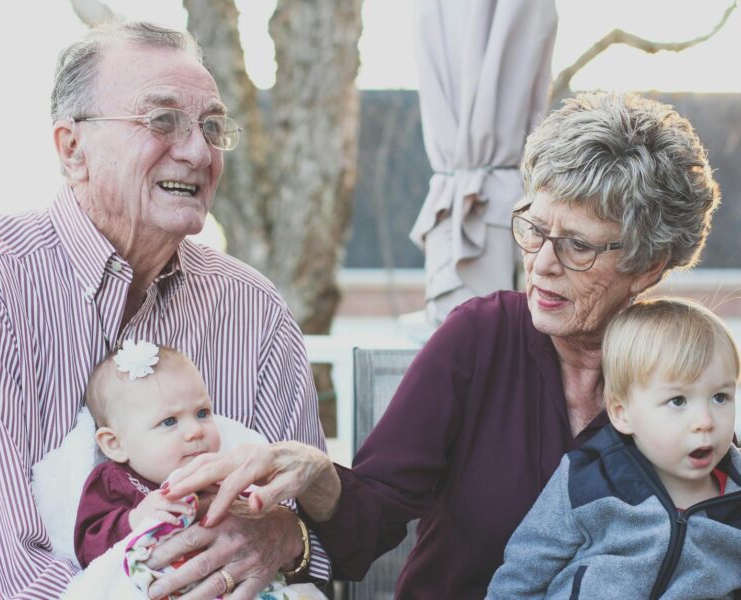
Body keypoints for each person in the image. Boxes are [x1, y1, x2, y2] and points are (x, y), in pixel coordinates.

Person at [160, 92, 723, 598]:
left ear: (647, 267)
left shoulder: (690, 374)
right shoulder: (480, 339)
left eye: (578, 246)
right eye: (533, 228)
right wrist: (319, 473)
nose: (542, 265)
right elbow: (368, 525)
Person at [0, 21, 329, 598]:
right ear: (74, 149)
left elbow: (318, 537)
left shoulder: (253, 307)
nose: (199, 151)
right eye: (161, 120)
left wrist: (286, 535)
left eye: (212, 127)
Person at [486, 298, 741, 599]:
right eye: (678, 401)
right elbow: (525, 570)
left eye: (720, 397)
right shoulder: (588, 479)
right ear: (622, 413)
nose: (705, 421)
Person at [71, 340, 325, 599]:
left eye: (203, 412)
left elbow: (259, 536)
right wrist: (136, 518)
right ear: (116, 444)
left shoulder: (224, 473)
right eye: (169, 421)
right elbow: (87, 548)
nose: (196, 430)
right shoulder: (115, 480)